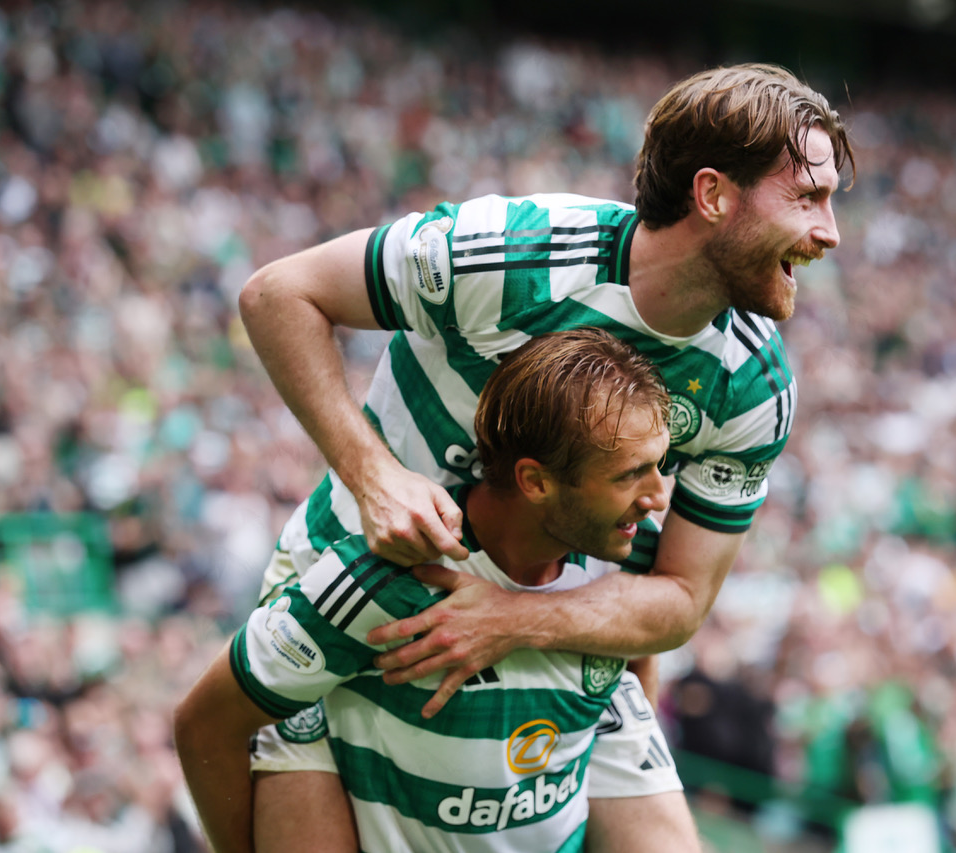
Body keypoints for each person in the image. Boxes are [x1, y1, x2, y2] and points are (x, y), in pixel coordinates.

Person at [238, 62, 852, 850]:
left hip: (561, 643)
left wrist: (511, 618)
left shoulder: (754, 384)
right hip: (356, 603)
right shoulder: (513, 255)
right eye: (807, 198)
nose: (830, 232)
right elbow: (278, 294)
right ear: (713, 195)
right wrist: (372, 474)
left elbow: (682, 598)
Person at [174, 328, 697, 852]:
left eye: (658, 466)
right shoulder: (390, 576)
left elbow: (635, 662)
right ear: (536, 482)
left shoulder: (632, 554)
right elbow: (205, 725)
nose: (657, 497)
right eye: (632, 474)